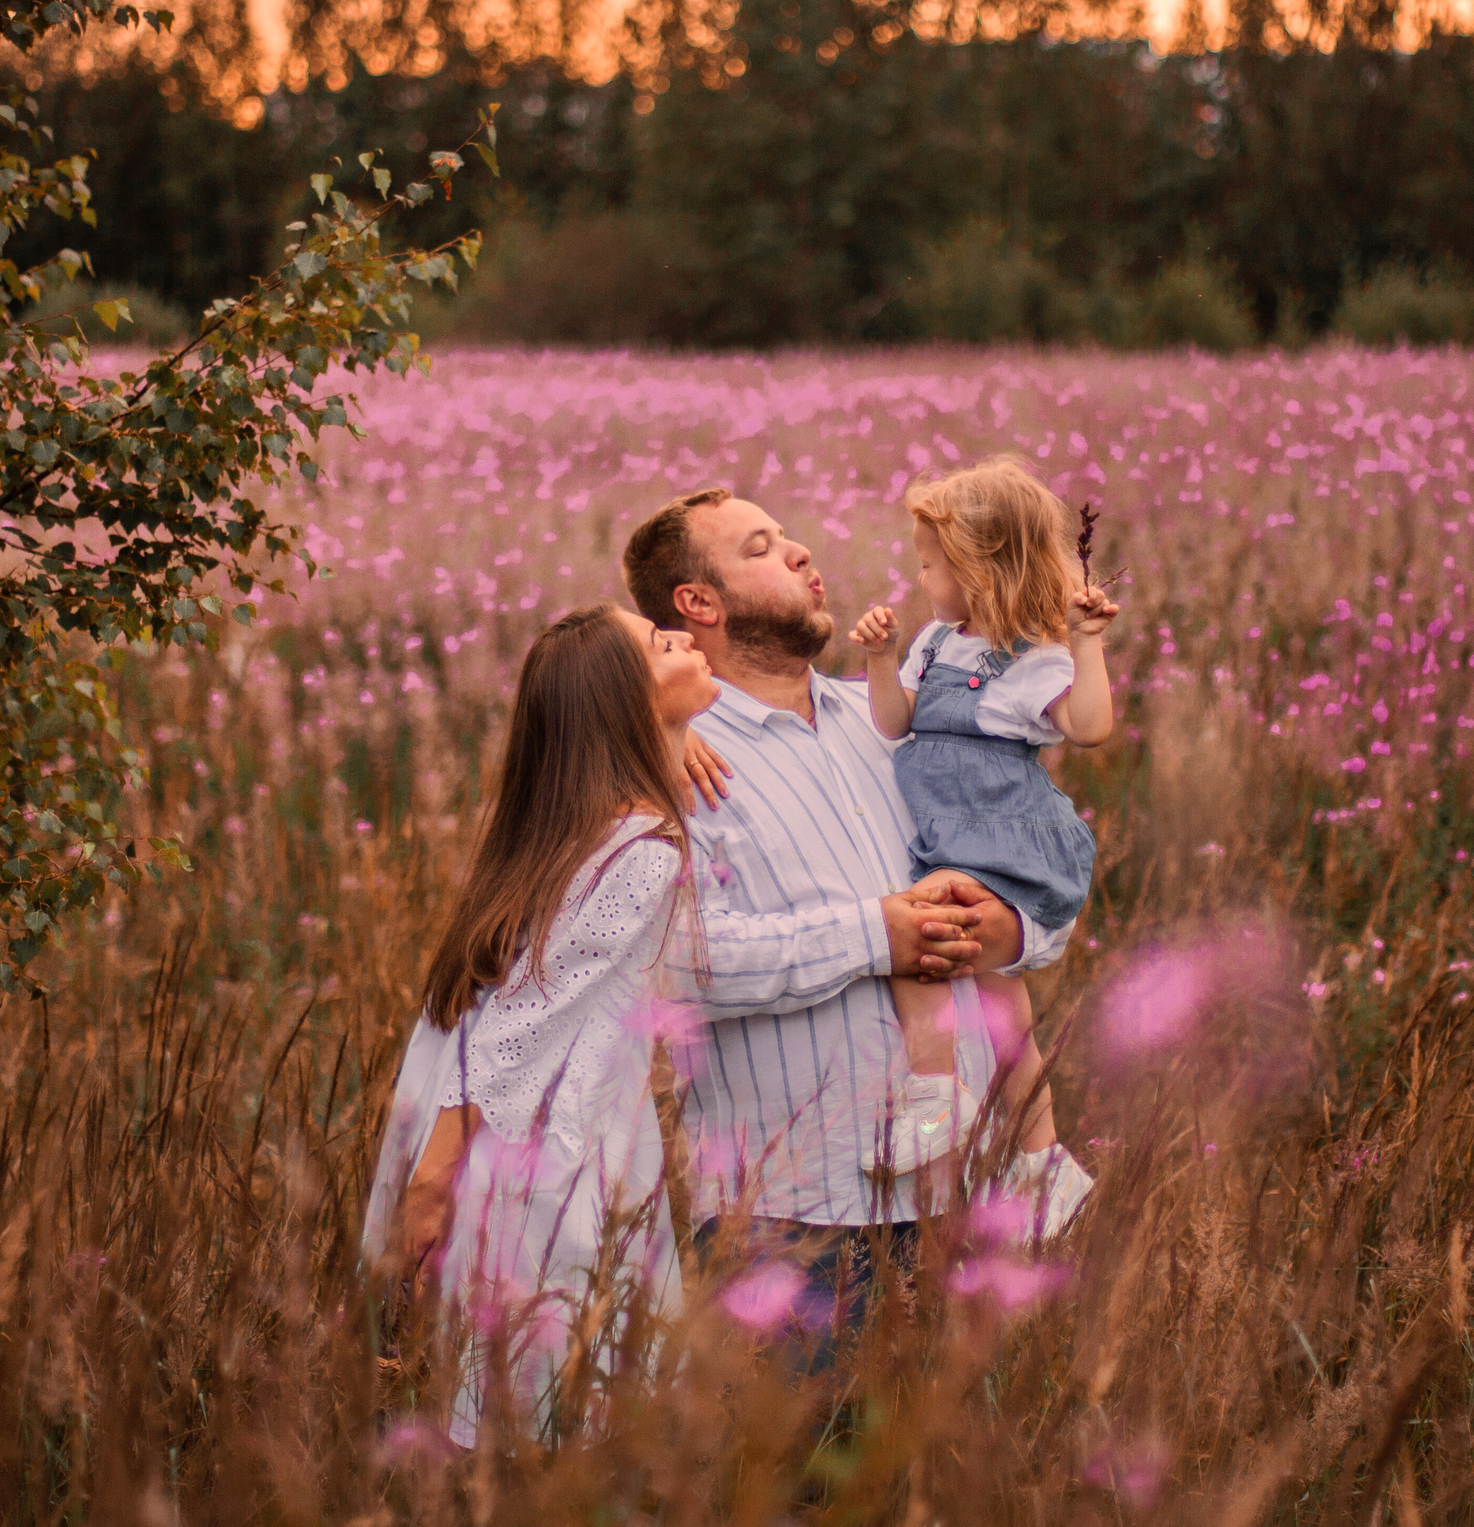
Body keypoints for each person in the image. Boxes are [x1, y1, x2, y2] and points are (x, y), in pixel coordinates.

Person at [619, 488, 1068, 1342]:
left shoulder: (893, 717)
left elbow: (1036, 863)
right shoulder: (669, 758)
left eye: (790, 535)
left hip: (960, 1195)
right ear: (698, 603)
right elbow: (676, 965)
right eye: (761, 546)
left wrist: (1009, 928)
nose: (798, 551)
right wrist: (879, 935)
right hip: (793, 1220)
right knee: (802, 1475)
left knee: (947, 1474)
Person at [359, 605, 718, 1446]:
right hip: (552, 1159)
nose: (689, 639)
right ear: (626, 706)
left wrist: (677, 734)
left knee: (512, 1411)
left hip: (539, 1146)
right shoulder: (641, 851)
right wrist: (431, 1184)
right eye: (664, 645)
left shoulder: (581, 829)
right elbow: (514, 1032)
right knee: (551, 1416)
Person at [846, 460, 1113, 1218]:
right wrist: (877, 658)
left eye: (930, 563)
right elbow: (895, 723)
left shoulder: (1035, 660)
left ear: (980, 567)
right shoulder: (933, 642)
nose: (921, 575)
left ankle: (932, 1093)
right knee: (1008, 1025)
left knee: (916, 930)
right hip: (952, 843)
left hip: (1008, 849)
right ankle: (1043, 1163)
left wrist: (1086, 646)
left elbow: (1090, 728)